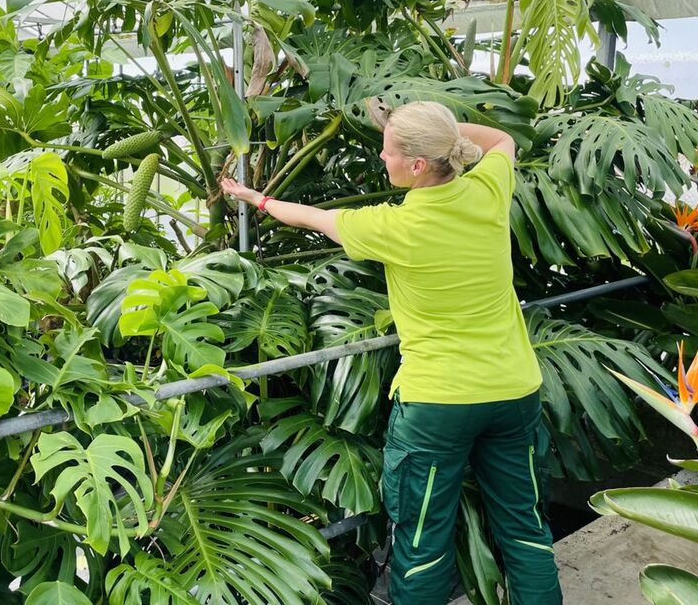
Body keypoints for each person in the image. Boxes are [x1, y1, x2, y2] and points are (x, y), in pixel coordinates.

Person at [220, 100, 562, 604]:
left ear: (418, 165)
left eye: (389, 150)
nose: (382, 158)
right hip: (514, 391)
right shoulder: (489, 191)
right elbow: (502, 141)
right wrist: (436, 129)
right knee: (525, 528)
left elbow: (311, 219)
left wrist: (256, 199)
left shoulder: (393, 227)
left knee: (422, 543)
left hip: (437, 405)